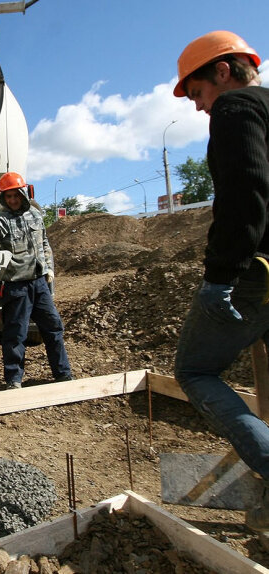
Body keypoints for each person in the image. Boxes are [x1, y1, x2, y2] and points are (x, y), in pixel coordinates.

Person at [171, 30, 269, 532]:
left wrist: (220, 277)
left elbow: (246, 190)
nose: (198, 107)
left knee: (195, 370)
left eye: (198, 93)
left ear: (223, 73)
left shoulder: (237, 111)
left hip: (257, 274)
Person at [0, 172, 72, 389]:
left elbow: (45, 242)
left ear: (22, 194)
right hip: (16, 286)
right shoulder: (1, 219)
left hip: (40, 283)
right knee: (15, 334)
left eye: (15, 196)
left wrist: (49, 268)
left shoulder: (36, 216)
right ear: (3, 198)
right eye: (7, 196)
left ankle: (63, 374)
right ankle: (14, 379)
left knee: (53, 327)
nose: (12, 200)